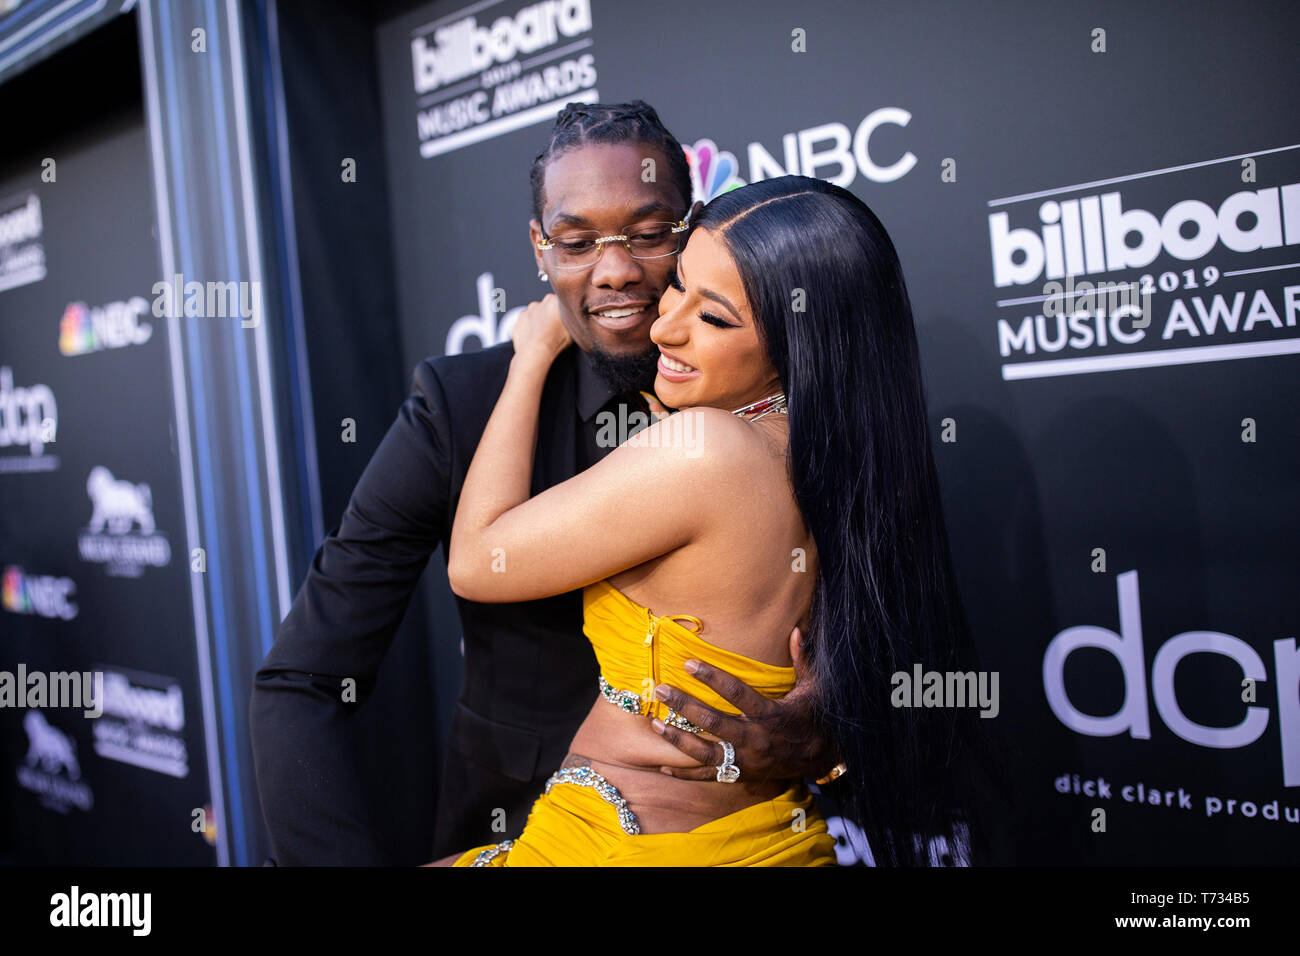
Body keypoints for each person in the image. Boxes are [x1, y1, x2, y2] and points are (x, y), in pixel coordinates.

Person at [248, 102, 839, 866]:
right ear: (539, 248)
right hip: (511, 823)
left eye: (648, 232)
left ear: (688, 231)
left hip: (727, 836)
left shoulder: (775, 401)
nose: (615, 269)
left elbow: (867, 633)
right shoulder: (459, 404)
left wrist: (826, 735)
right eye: (576, 239)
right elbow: (303, 676)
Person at [437, 174, 1007, 867]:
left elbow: (476, 562)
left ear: (800, 339)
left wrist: (530, 360)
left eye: (714, 318)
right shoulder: (840, 461)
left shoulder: (703, 452)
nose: (663, 325)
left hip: (629, 848)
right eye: (676, 283)